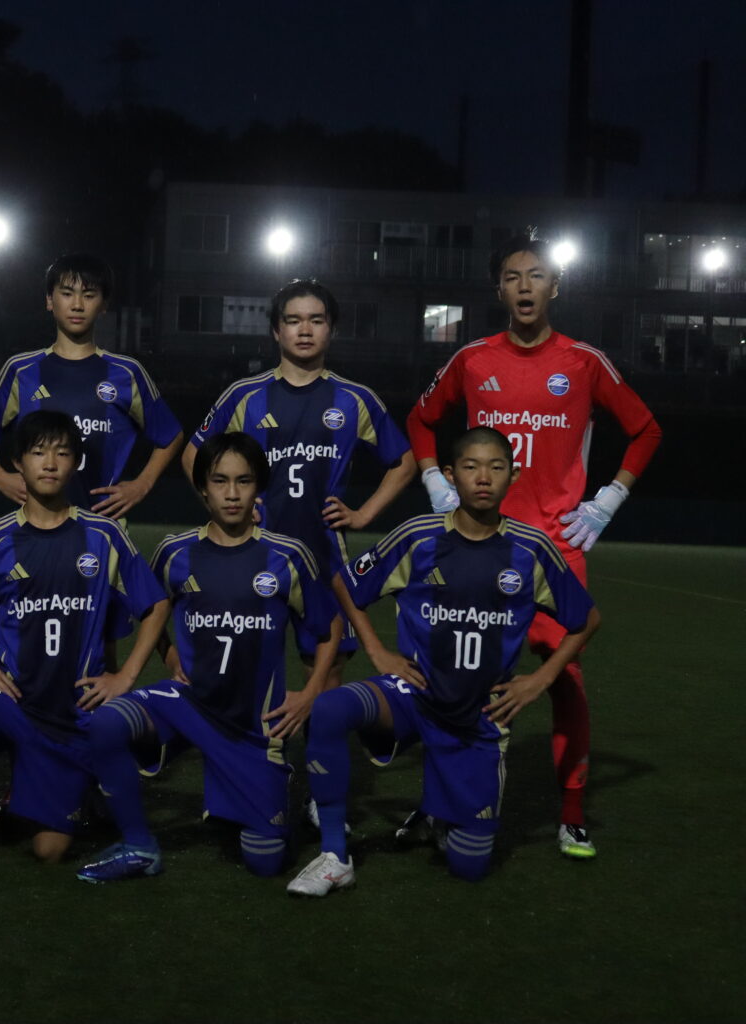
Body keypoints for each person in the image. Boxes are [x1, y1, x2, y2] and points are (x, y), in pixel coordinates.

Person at [405, 230, 660, 858]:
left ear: (555, 287)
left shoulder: (583, 362)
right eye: (513, 277)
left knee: (564, 677)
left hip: (553, 548)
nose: (525, 286)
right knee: (455, 677)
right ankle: (437, 801)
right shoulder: (472, 360)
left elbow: (646, 430)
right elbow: (420, 419)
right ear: (499, 289)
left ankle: (571, 812)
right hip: (478, 541)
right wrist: (435, 479)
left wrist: (608, 499)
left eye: (536, 275)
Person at [287, 427, 599, 896]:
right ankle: (335, 855)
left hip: (480, 716)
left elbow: (587, 619)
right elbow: (345, 583)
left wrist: (540, 678)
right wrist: (376, 650)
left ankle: (438, 811)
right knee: (330, 708)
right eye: (471, 467)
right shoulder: (419, 536)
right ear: (451, 475)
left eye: (495, 467)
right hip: (414, 695)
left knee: (468, 866)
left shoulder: (530, 549)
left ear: (513, 475)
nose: (483, 478)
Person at [0, 411, 170, 884]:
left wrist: (124, 677)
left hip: (71, 715)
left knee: (50, 850)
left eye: (62, 453)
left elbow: (156, 605)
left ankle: (53, 789)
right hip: (10, 701)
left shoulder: (104, 535)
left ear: (76, 463)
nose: (50, 463)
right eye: (38, 452)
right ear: (18, 463)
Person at [78, 432, 341, 883]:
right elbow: (151, 609)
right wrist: (167, 655)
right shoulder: (175, 552)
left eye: (244, 481)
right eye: (220, 481)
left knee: (265, 862)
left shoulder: (288, 556)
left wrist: (311, 692)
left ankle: (261, 790)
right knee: (105, 722)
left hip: (253, 728)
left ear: (259, 487)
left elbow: (329, 625)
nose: (232, 493)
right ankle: (139, 844)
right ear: (202, 488)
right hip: (189, 704)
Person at [181, 279, 414, 683]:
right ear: (276, 330)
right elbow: (192, 456)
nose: (304, 330)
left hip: (324, 558)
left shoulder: (354, 398)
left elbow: (405, 463)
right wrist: (223, 510)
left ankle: (316, 728)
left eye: (316, 320)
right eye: (293, 321)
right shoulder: (245, 395)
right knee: (244, 670)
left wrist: (362, 515)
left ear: (331, 329)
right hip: (253, 553)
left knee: (326, 674)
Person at [0, 254, 183, 519]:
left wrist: (141, 484)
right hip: (35, 528)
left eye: (89, 295)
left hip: (104, 528)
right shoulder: (21, 370)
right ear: (49, 300)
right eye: (67, 294)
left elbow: (171, 435)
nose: (77, 305)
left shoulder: (126, 373)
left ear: (104, 305)